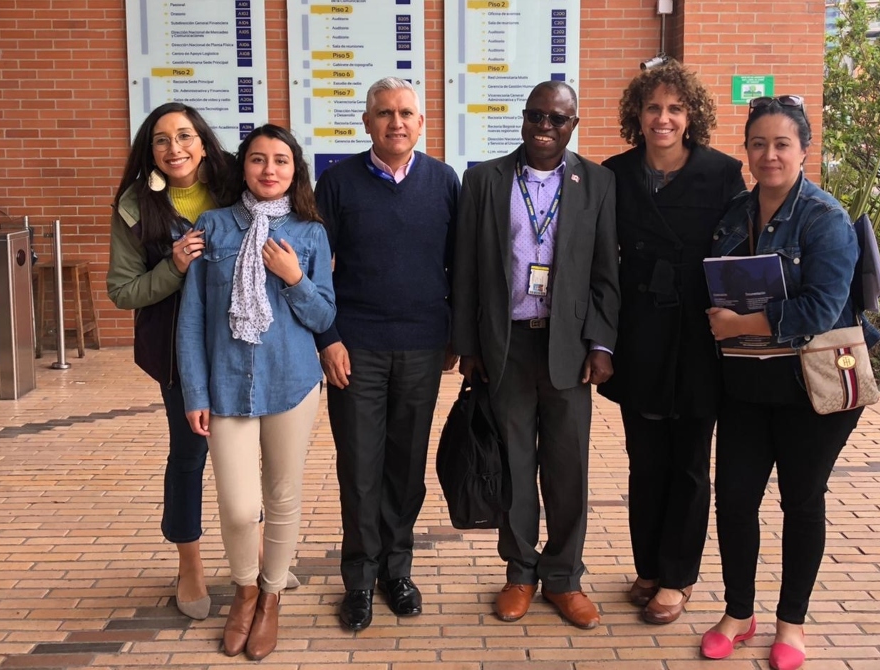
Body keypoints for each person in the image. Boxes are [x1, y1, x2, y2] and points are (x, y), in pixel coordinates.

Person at [700, 96, 880, 670]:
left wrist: (741, 322)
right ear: (746, 150)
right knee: (733, 500)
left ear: (804, 148)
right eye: (759, 143)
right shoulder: (733, 215)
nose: (770, 155)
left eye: (782, 144)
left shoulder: (825, 219)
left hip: (811, 387)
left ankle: (791, 623)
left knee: (802, 502)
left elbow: (825, 308)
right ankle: (738, 612)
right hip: (746, 386)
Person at [452, 81, 620, 630]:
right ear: (523, 119)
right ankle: (521, 573)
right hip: (507, 348)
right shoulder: (483, 181)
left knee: (567, 469)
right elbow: (466, 270)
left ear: (574, 125)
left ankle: (565, 579)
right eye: (536, 116)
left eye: (558, 118)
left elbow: (605, 274)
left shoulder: (596, 182)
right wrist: (469, 346)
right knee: (515, 467)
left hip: (568, 349)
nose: (545, 126)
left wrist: (600, 343)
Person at [176, 124, 336, 660]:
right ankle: (243, 591)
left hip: (292, 383)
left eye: (281, 161)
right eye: (259, 160)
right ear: (243, 166)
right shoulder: (214, 227)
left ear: (296, 172)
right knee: (240, 506)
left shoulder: (310, 232)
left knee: (283, 498)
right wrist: (194, 392)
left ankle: (269, 599)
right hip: (225, 387)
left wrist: (295, 277)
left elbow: (323, 316)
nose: (270, 170)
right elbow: (193, 318)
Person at [597, 61, 745, 625]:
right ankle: (650, 567)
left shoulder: (723, 173)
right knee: (644, 461)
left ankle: (678, 576)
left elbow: (736, 255)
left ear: (691, 117)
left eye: (675, 109)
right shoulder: (613, 174)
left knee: (688, 464)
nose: (664, 118)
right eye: (653, 107)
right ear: (638, 114)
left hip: (700, 337)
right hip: (639, 336)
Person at [314, 76, 460, 631]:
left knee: (406, 467)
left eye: (405, 113)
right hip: (357, 349)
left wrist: (456, 338)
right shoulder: (338, 183)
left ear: (421, 123)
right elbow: (314, 269)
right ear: (366, 122)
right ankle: (358, 578)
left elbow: (459, 265)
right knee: (359, 466)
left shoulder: (444, 181)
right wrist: (327, 338)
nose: (395, 122)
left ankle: (397, 569)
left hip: (423, 346)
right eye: (384, 113)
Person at [106, 102, 238, 621]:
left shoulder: (237, 188)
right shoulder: (135, 207)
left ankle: (250, 559)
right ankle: (190, 563)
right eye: (161, 140)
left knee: (246, 456)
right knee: (189, 456)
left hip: (242, 347)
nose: (175, 148)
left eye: (185, 136)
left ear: (204, 142)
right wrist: (175, 266)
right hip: (180, 356)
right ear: (150, 151)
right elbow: (123, 291)